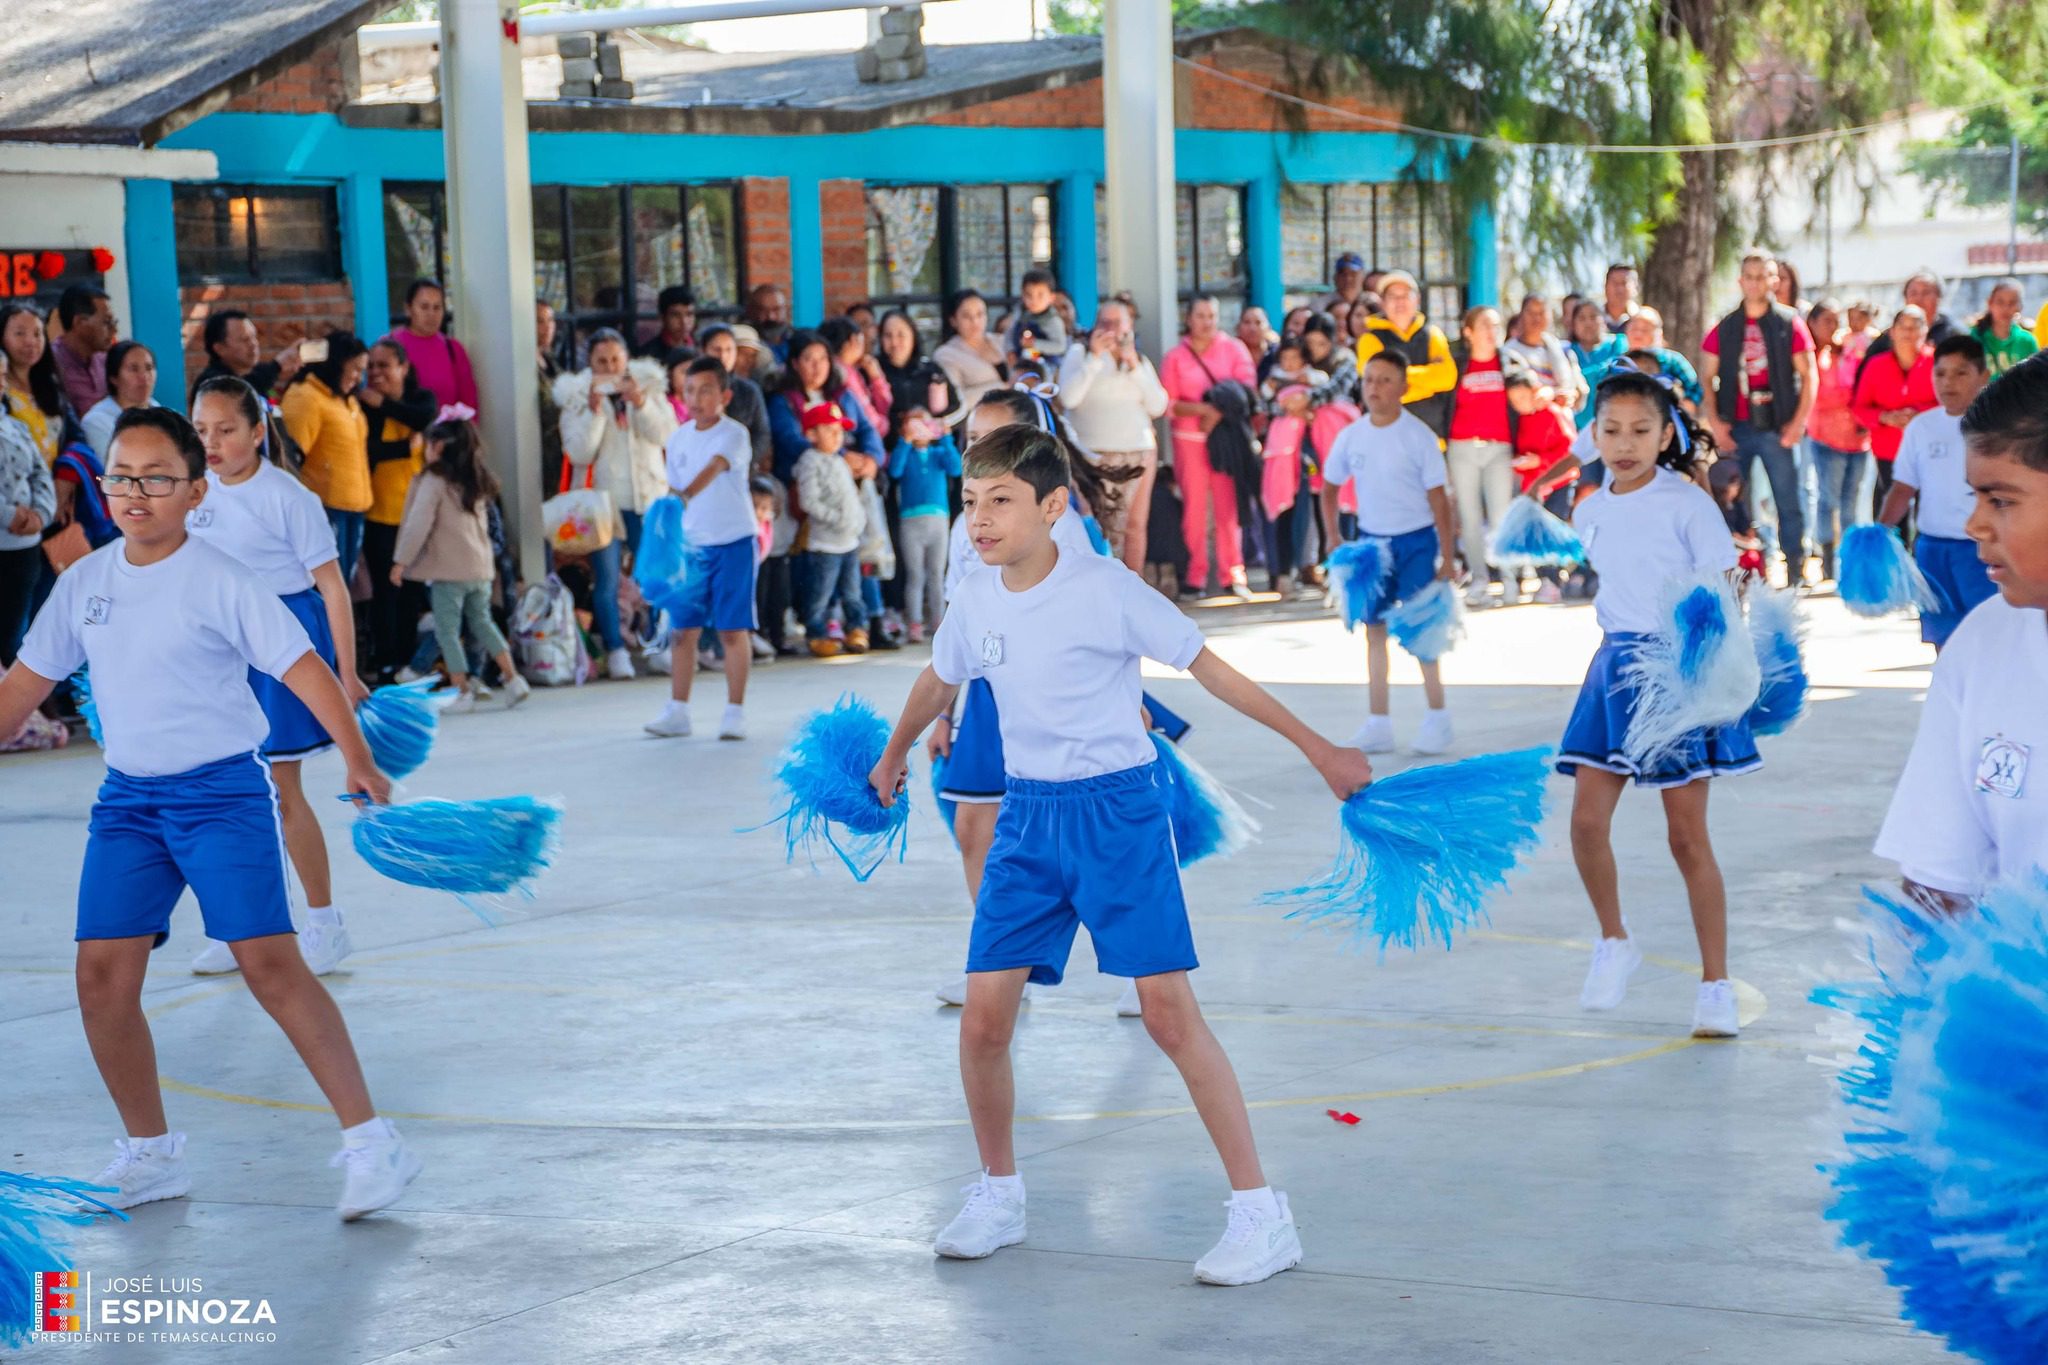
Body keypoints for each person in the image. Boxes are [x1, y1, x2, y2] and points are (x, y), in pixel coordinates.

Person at [865, 422, 1374, 1283]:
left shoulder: (1107, 590)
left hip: (1118, 817)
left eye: (1000, 501)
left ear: (1053, 507)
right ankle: (999, 1190)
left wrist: (1319, 747)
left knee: (1170, 1017)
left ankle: (1261, 1212)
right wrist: (891, 753)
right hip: (1028, 820)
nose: (979, 520)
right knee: (986, 1020)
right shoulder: (978, 594)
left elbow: (1212, 670)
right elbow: (937, 677)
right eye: (970, 503)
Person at [0, 405, 419, 1220]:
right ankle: (150, 1154)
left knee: (269, 964)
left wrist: (360, 757)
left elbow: (302, 668)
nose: (135, 492)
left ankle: (373, 1139)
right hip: (128, 803)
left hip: (220, 795)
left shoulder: (223, 578)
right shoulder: (84, 583)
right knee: (100, 977)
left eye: (156, 478)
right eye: (121, 476)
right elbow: (21, 688)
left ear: (196, 491)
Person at [1557, 369, 1753, 1038]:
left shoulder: (1688, 503)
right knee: (1586, 824)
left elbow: (1728, 585)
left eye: (1641, 429)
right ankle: (1615, 939)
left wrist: (1714, 669)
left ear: (1666, 433)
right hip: (1614, 665)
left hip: (1679, 664)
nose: (1625, 442)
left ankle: (1715, 983)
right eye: (1610, 429)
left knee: (1685, 835)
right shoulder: (1589, 509)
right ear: (1594, 434)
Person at [184, 373, 366, 978]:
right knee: (221, 798)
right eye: (201, 430)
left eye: (226, 430)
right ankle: (243, 929)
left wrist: (347, 672)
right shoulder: (191, 492)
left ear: (259, 433)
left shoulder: (289, 498)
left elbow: (332, 588)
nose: (211, 441)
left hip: (281, 645)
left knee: (280, 792)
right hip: (218, 649)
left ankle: (324, 923)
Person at [1873, 352, 2048, 911]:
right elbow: (1939, 881)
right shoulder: (1981, 644)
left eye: (2000, 500)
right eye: (1974, 496)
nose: (1974, 523)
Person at [1318, 350, 1457, 755]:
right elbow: (1328, 488)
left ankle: (1438, 717)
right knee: (1373, 631)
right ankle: (1378, 722)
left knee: (1421, 630)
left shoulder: (1418, 437)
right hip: (1370, 545)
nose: (1374, 388)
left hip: (1416, 541)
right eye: (1369, 379)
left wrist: (1447, 556)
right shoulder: (1351, 436)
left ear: (1403, 387)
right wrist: (1331, 536)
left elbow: (1440, 501)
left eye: (1384, 380)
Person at [554, 328, 676, 680]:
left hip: (647, 498)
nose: (609, 367)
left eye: (615, 360)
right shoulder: (577, 396)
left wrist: (640, 403)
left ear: (627, 360)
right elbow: (578, 452)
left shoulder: (650, 388)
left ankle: (657, 645)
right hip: (602, 503)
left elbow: (667, 435)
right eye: (601, 361)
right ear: (589, 364)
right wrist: (593, 413)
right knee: (606, 579)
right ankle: (616, 649)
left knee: (656, 576)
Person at [645, 358, 757, 740]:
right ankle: (677, 710)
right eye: (690, 390)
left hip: (734, 542)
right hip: (691, 547)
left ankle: (735, 711)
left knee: (731, 629)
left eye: (706, 390)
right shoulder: (677, 437)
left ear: (724, 395)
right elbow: (673, 489)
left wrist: (683, 496)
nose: (696, 398)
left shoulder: (735, 434)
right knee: (682, 629)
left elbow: (714, 467)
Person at [391, 417, 531, 713]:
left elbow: (418, 524)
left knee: (447, 630)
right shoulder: (475, 478)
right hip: (480, 569)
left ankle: (460, 691)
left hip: (449, 571)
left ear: (438, 446)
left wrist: (401, 561)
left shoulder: (435, 480)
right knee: (483, 623)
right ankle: (513, 678)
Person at [1698, 249, 1816, 585]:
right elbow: (1706, 375)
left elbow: (1809, 375)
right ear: (1740, 281)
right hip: (1737, 426)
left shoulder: (1788, 322)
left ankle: (1795, 569)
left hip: (1778, 425)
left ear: (1774, 280)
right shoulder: (1725, 326)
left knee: (1788, 500)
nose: (1755, 283)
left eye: (1762, 276)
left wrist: (1798, 423)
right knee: (1736, 501)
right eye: (1749, 276)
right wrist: (1717, 424)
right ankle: (1749, 569)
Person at [1877, 335, 1994, 652]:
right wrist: (1878, 533)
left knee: (1988, 638)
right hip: (1932, 549)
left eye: (1961, 373)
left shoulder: (1999, 428)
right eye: (1940, 373)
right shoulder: (1921, 427)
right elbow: (1903, 487)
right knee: (1943, 640)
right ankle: (1950, 699)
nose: (1948, 383)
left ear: (1983, 376)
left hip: (1983, 551)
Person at [1056, 296, 1169, 570]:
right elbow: (1068, 399)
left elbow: (1158, 405)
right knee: (1099, 524)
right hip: (1093, 455)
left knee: (1134, 525)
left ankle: (1134, 591)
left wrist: (1133, 366)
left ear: (1129, 326)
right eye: (1104, 322)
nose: (1111, 329)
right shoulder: (1080, 354)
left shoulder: (1138, 359)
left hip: (1137, 451)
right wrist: (1095, 359)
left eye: (1117, 323)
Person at [1161, 294, 1259, 598]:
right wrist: (1203, 411)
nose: (1207, 322)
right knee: (1194, 510)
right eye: (1201, 315)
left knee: (1229, 507)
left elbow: (1246, 390)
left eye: (1212, 316)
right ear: (1188, 319)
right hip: (1189, 442)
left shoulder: (1233, 348)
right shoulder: (1176, 356)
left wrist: (1214, 413)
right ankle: (1195, 576)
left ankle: (1233, 574)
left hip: (1227, 442)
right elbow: (1169, 404)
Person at [359, 340, 437, 681]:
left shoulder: (420, 398)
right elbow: (368, 451)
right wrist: (404, 447)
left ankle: (410, 661)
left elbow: (423, 417)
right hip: (380, 513)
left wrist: (386, 405)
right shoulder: (364, 407)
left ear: (404, 368)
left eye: (384, 366)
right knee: (385, 593)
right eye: (370, 367)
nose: (375, 374)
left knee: (412, 592)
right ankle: (387, 661)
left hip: (420, 514)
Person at [279, 331, 373, 584]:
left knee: (345, 582)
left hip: (355, 507)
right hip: (326, 508)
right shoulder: (305, 396)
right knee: (330, 586)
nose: (358, 378)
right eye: (354, 370)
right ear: (336, 363)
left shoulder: (346, 400)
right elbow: (291, 460)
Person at [1445, 305, 1522, 609]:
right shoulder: (1457, 364)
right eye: (1484, 326)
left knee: (1502, 516)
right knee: (1470, 517)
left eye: (1496, 325)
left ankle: (1509, 578)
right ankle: (1479, 580)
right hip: (1461, 447)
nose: (1492, 332)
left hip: (1499, 449)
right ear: (1468, 332)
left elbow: (1528, 391)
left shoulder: (1509, 362)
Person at [792, 401, 870, 657]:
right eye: (829, 429)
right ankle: (816, 634)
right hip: (825, 543)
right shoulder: (810, 462)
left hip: (849, 540)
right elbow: (809, 500)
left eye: (840, 430)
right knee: (821, 593)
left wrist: (857, 520)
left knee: (853, 591)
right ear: (811, 434)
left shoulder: (839, 461)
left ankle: (856, 629)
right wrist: (837, 518)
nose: (838, 435)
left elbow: (851, 497)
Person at [1803, 298, 1870, 584]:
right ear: (1813, 323)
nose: (1833, 326)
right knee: (1828, 499)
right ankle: (1828, 560)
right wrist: (1852, 399)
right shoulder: (1811, 356)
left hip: (1857, 438)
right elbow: (1821, 396)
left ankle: (1849, 562)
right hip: (1827, 437)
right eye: (1826, 320)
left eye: (1836, 320)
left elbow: (1865, 384)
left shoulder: (1851, 349)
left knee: (1850, 503)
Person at [1850, 305, 1937, 523]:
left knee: (1929, 513)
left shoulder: (1938, 364)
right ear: (1893, 332)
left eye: (1915, 327)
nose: (1908, 333)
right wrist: (1885, 417)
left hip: (1930, 451)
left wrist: (1919, 414)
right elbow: (1859, 408)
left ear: (1925, 331)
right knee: (1894, 513)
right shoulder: (1875, 365)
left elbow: (1951, 405)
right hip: (1889, 452)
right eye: (1903, 327)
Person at [1353, 271, 1456, 438]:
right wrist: (1429, 384)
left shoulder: (1433, 335)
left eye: (1406, 295)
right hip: (1386, 439)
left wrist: (1397, 378)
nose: (1400, 301)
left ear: (1418, 300)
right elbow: (1380, 390)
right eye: (1393, 296)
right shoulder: (1369, 339)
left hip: (1431, 438)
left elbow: (1448, 378)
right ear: (1383, 303)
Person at [888, 405, 961, 644]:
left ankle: (939, 622)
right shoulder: (905, 453)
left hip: (939, 519)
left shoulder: (939, 453)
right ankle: (915, 623)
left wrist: (947, 437)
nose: (920, 429)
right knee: (915, 575)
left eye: (925, 424)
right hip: (910, 521)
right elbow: (895, 470)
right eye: (914, 424)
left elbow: (956, 467)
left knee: (936, 574)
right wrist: (905, 442)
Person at [0, 385, 54, 663]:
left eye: (2, 376)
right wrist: (9, 515)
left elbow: (40, 473)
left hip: (24, 546)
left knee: (16, 635)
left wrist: (41, 514)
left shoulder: (16, 427)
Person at [384, 279, 479, 417]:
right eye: (424, 307)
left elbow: (469, 402)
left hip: (446, 434)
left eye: (437, 307)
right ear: (408, 309)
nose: (431, 314)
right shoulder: (389, 346)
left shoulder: (453, 349)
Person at [1, 302, 73, 464]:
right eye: (20, 333)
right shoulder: (2, 391)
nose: (30, 341)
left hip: (56, 482)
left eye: (37, 333)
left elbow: (75, 435)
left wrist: (66, 472)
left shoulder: (51, 383)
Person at [696, 324, 774, 472]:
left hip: (741, 467)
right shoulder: (692, 388)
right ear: (703, 351)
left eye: (729, 350)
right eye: (716, 350)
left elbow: (761, 434)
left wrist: (742, 460)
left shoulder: (749, 390)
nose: (723, 356)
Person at [933, 289, 1010, 436]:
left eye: (980, 314)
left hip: (1015, 421)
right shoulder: (946, 354)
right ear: (953, 320)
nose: (975, 321)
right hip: (980, 430)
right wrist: (1001, 387)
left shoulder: (1001, 341)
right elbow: (956, 399)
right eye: (967, 316)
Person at [190, 309, 303, 403]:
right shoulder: (212, 383)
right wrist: (277, 366)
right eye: (244, 339)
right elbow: (243, 392)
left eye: (254, 337)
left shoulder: (251, 373)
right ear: (219, 348)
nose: (253, 344)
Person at [875, 308, 960, 428]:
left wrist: (930, 421)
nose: (894, 342)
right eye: (888, 335)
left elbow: (957, 407)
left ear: (913, 336)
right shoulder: (872, 372)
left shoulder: (931, 370)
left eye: (901, 335)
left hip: (933, 443)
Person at [1504, 294, 1586, 412]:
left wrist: (1570, 396)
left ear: (1550, 316)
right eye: (1531, 313)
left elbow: (1579, 390)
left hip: (1561, 423)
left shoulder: (1563, 350)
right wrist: (1553, 394)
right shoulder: (1508, 353)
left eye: (1541, 313)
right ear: (1521, 315)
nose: (1536, 318)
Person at [81, 340, 158, 460]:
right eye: (134, 369)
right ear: (114, 378)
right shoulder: (96, 422)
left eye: (149, 368)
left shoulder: (161, 411)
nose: (144, 376)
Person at [50, 284, 117, 417]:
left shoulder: (107, 359)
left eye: (114, 322)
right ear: (80, 322)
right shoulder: (51, 363)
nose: (114, 331)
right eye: (106, 322)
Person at [1619, 308, 1702, 411]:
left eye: (1645, 329)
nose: (1638, 334)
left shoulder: (1673, 360)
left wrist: (1678, 414)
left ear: (1659, 333)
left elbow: (1694, 390)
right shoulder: (1617, 363)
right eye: (1634, 328)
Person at [1564, 299, 1624, 429]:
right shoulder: (1566, 352)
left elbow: (1618, 369)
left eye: (1593, 317)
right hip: (1576, 430)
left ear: (1603, 320)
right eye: (1581, 318)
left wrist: (1581, 376)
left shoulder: (1618, 344)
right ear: (1573, 324)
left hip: (1614, 425)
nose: (1588, 323)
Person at [1969, 278, 2037, 376]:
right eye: (2000, 302)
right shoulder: (1975, 337)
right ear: (1990, 303)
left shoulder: (2027, 341)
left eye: (2012, 303)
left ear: (2020, 307)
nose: (2006, 308)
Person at [1004, 268, 1068, 365]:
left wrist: (1034, 343)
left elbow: (1060, 346)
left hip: (1046, 366)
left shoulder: (1052, 320)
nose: (1034, 300)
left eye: (1040, 295)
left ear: (1051, 297)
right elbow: (1009, 334)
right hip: (1020, 363)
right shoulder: (1020, 314)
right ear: (1022, 295)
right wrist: (1010, 350)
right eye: (1029, 295)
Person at [536, 301, 565, 496]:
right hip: (540, 453)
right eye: (539, 321)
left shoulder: (551, 360)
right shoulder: (523, 364)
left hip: (561, 452)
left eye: (550, 320)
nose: (547, 328)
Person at [634, 285, 698, 362]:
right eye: (675, 315)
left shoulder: (701, 349)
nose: (684, 322)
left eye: (689, 314)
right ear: (663, 317)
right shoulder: (648, 357)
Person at [1904, 269, 1961, 345]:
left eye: (1926, 293)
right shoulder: (1893, 336)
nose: (1919, 299)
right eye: (1913, 293)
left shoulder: (1952, 334)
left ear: (1939, 297)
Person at [745, 283, 792, 361]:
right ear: (751, 311)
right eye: (763, 310)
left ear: (786, 310)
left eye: (776, 309)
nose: (771, 317)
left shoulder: (799, 341)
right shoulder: (742, 345)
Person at [1317, 251, 1369, 318]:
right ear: (1335, 277)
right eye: (1343, 274)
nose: (1348, 279)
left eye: (1353, 274)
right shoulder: (1321, 304)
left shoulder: (1371, 301)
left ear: (1363, 276)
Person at [1601, 264, 1639, 334]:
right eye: (1615, 283)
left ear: (1635, 288)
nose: (1619, 289)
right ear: (1605, 286)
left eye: (1624, 283)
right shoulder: (1594, 318)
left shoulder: (1642, 320)